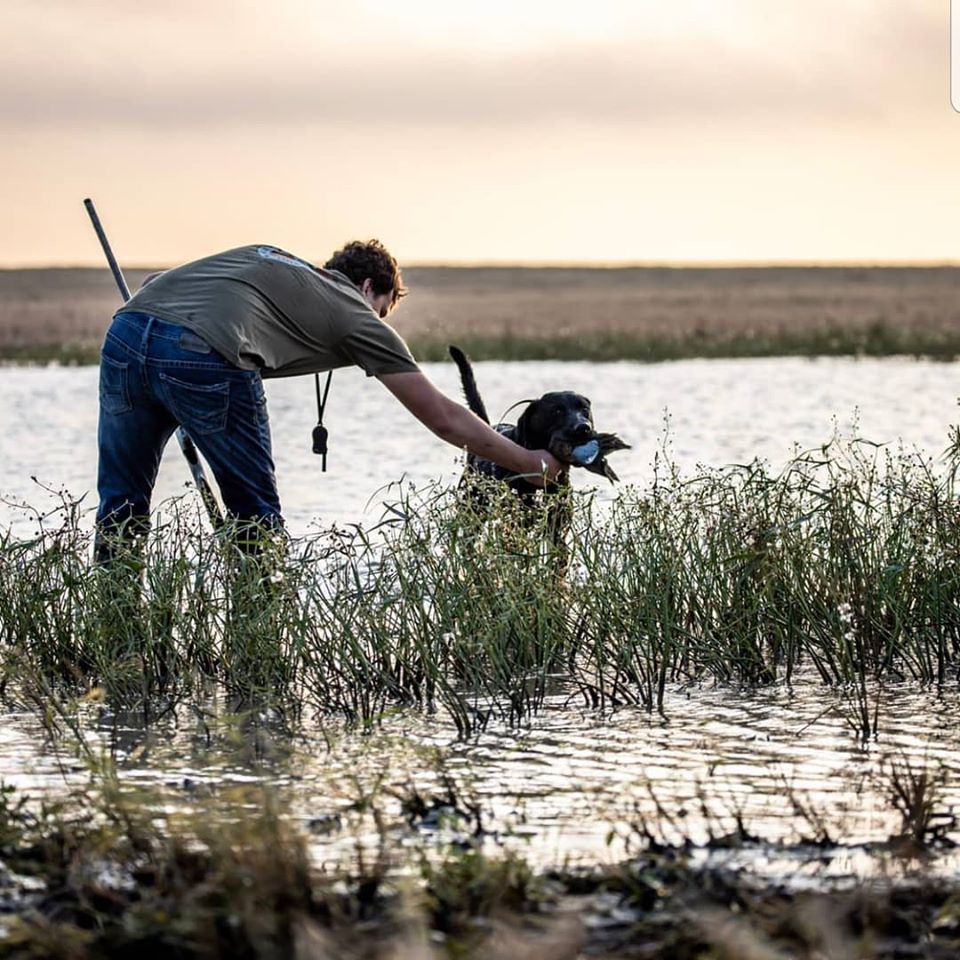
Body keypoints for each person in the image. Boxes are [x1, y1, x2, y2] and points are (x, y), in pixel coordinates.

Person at [95, 240, 565, 554]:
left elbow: (155, 281)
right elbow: (443, 417)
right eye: (384, 310)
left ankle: (118, 636)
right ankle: (260, 645)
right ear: (367, 289)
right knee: (255, 518)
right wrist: (527, 460)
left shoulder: (277, 261)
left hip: (126, 332)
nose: (379, 321)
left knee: (121, 504)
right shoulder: (356, 314)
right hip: (206, 352)